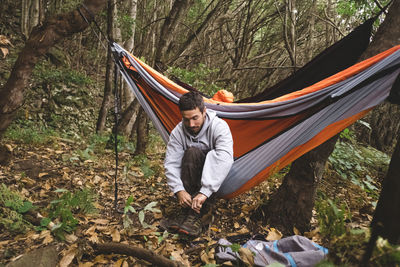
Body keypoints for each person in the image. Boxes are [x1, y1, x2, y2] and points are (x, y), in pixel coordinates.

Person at [163, 91, 234, 236]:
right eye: (186, 119)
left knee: (201, 153)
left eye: (195, 118)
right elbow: (171, 162)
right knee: (191, 153)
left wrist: (205, 192)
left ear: (204, 112)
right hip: (189, 178)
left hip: (215, 181)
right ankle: (185, 209)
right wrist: (179, 190)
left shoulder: (219, 127)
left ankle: (199, 213)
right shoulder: (178, 132)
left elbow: (225, 159)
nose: (191, 124)